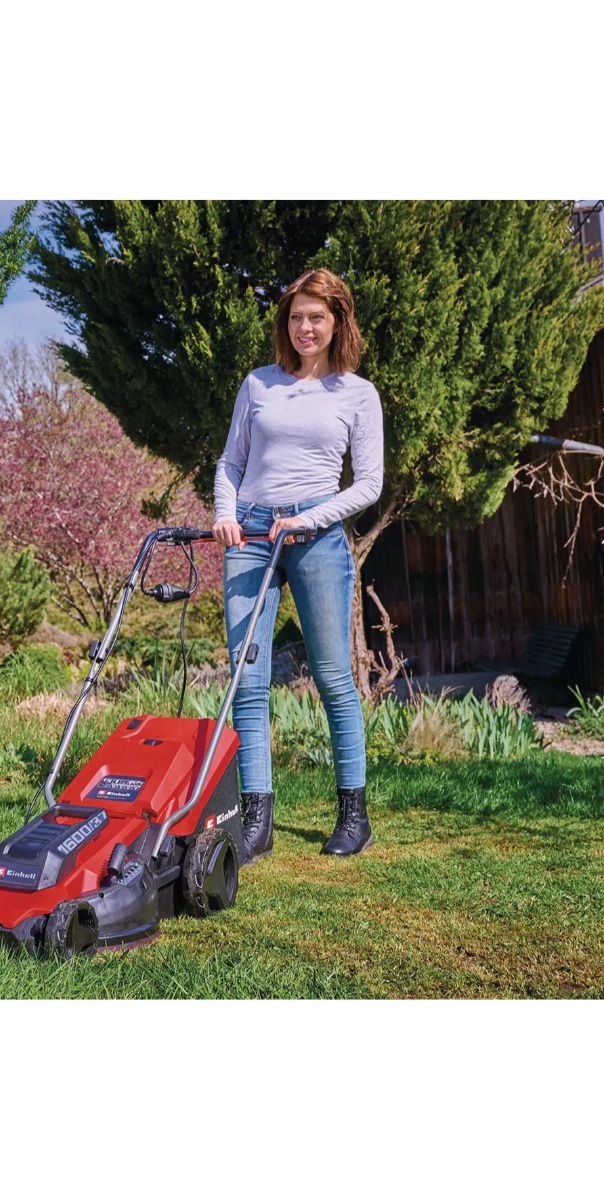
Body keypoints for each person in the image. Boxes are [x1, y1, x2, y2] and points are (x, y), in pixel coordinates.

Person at [212, 267, 383, 861]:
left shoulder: (357, 393)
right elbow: (230, 463)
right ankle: (257, 821)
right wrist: (225, 514)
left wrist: (309, 518)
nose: (305, 327)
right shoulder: (258, 384)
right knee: (247, 680)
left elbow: (369, 484)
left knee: (334, 677)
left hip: (317, 538)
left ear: (337, 322)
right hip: (252, 535)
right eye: (295, 317)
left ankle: (353, 817)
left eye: (317, 317)